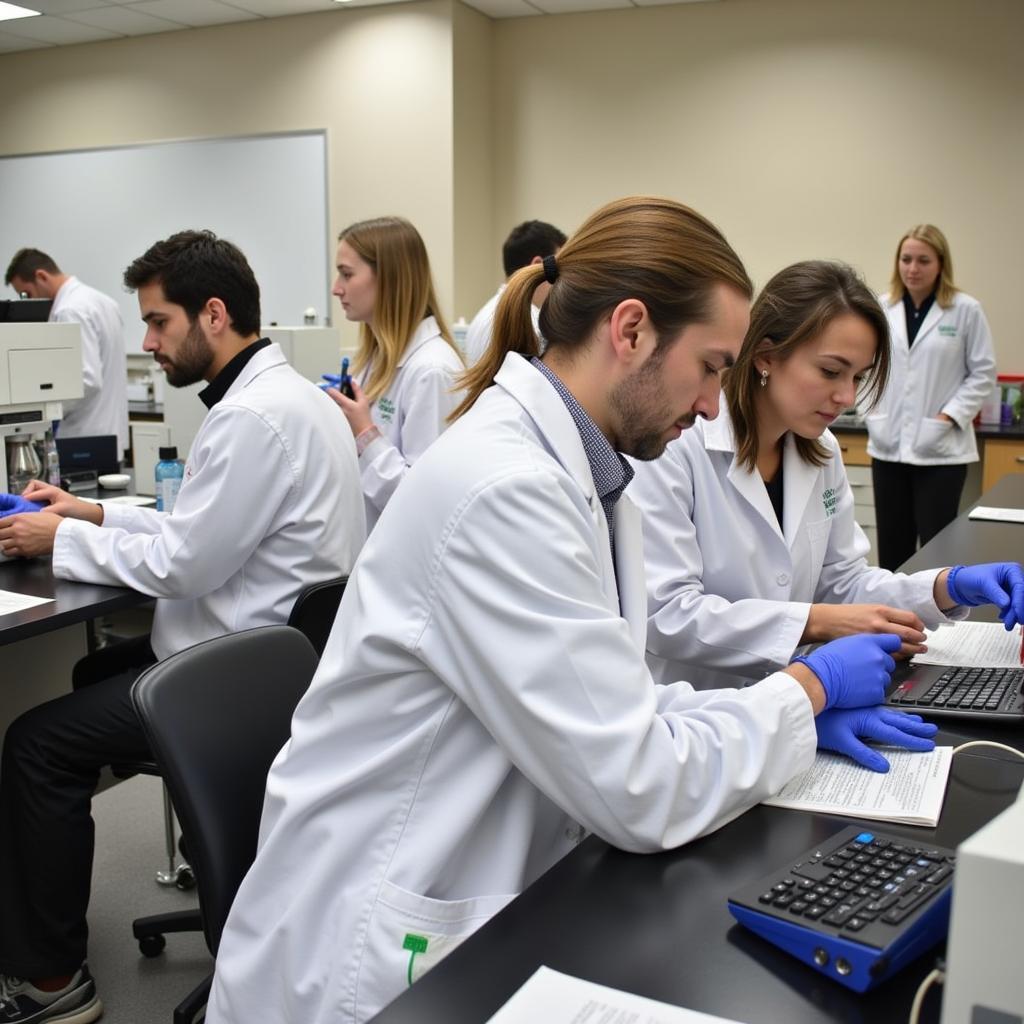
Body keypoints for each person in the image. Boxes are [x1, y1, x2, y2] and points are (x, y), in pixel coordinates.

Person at [207, 197, 936, 1024]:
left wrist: (773, 711)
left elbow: (614, 693)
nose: (709, 405)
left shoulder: (588, 469)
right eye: (709, 367)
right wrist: (801, 691)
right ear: (630, 331)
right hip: (371, 953)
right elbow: (638, 786)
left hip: (501, 888)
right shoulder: (506, 487)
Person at [0, 230, 366, 1024]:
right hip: (280, 662)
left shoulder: (248, 420)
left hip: (229, 680)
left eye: (160, 323)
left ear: (213, 313)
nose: (148, 342)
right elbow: (202, 528)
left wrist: (53, 537)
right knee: (92, 677)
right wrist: (91, 511)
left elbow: (183, 565)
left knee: (33, 745)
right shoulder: (294, 399)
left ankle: (53, 984)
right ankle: (184, 840)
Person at [630, 260, 1024, 695]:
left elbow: (842, 582)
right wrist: (816, 622)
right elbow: (666, 614)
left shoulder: (819, 449)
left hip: (791, 698)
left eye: (858, 376)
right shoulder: (678, 443)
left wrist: (946, 586)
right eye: (831, 372)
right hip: (693, 711)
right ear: (765, 356)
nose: (847, 397)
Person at [865, 225, 996, 569]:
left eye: (923, 260)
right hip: (888, 446)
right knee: (893, 550)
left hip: (941, 454)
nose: (912, 268)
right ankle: (892, 622)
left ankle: (941, 622)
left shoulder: (965, 310)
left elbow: (983, 373)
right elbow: (864, 367)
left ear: (940, 264)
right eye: (906, 259)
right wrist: (870, 413)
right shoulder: (881, 307)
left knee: (938, 549)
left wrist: (949, 417)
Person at [324, 216, 465, 532]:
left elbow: (425, 504)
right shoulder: (373, 359)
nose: (336, 288)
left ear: (388, 279)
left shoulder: (433, 371)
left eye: (346, 274)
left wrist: (365, 434)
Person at [5, 248, 130, 459]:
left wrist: (42, 413)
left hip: (85, 437)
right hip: (108, 432)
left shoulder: (70, 310)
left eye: (26, 293)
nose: (27, 301)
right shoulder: (102, 300)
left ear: (41, 276)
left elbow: (86, 379)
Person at [463, 219, 567, 365]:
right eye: (559, 270)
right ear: (538, 266)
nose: (562, 281)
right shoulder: (527, 322)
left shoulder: (483, 315)